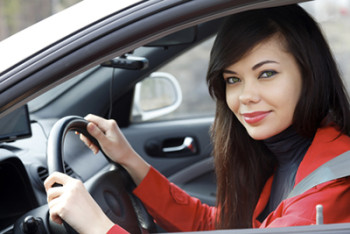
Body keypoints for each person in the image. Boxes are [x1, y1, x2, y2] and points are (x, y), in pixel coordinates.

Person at [44, 4, 350, 234]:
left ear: (309, 74)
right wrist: (128, 159)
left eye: (266, 74)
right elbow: (217, 225)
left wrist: (97, 225)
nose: (245, 96)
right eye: (233, 80)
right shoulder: (282, 154)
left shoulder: (328, 189)